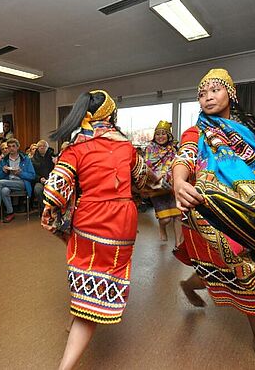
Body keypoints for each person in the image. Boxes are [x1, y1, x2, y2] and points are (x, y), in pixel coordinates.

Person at [172, 68, 255, 370]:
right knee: (248, 270)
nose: (207, 98)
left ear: (230, 94)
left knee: (228, 270)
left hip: (250, 212)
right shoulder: (196, 132)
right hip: (209, 212)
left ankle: (192, 286)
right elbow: (184, 157)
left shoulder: (246, 132)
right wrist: (179, 182)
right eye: (202, 94)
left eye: (214, 91)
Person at [41, 90, 153, 370]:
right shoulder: (127, 148)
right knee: (103, 275)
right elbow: (143, 181)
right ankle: (78, 325)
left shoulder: (75, 148)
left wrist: (52, 216)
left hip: (90, 218)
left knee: (85, 268)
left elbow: (55, 189)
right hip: (122, 222)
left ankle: (68, 354)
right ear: (112, 116)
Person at [144, 121, 182, 246]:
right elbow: (148, 165)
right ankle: (162, 227)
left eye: (163, 134)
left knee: (177, 216)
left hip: (172, 185)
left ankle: (178, 244)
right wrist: (159, 176)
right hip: (157, 187)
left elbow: (178, 164)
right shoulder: (150, 148)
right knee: (165, 219)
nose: (160, 137)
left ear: (169, 135)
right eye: (158, 134)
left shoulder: (174, 149)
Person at [0, 138, 35, 224]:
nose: (11, 148)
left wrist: (20, 173)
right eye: (9, 146)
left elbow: (32, 176)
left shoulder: (25, 159)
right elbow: (0, 176)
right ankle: (10, 212)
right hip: (8, 183)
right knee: (4, 190)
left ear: (18, 147)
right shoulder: (4, 160)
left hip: (22, 183)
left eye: (13, 146)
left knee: (0, 183)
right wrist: (4, 171)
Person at [31, 140, 55, 214]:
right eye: (40, 146)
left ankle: (54, 209)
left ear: (47, 147)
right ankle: (45, 208)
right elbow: (32, 173)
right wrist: (39, 178)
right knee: (38, 189)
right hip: (39, 180)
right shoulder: (32, 159)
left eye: (44, 146)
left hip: (52, 180)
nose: (42, 148)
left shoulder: (52, 157)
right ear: (37, 148)